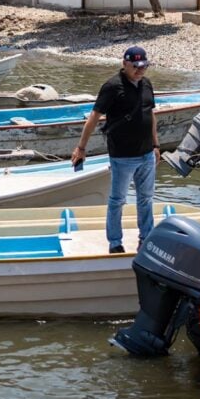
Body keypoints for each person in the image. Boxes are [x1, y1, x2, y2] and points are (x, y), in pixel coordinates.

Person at [71, 46, 159, 254]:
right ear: (125, 64)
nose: (140, 70)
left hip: (146, 154)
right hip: (123, 156)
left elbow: (151, 114)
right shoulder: (112, 86)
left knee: (146, 199)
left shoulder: (146, 84)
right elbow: (94, 117)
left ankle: (145, 238)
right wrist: (81, 148)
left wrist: (156, 145)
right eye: (135, 66)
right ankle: (115, 243)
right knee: (118, 200)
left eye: (144, 66)